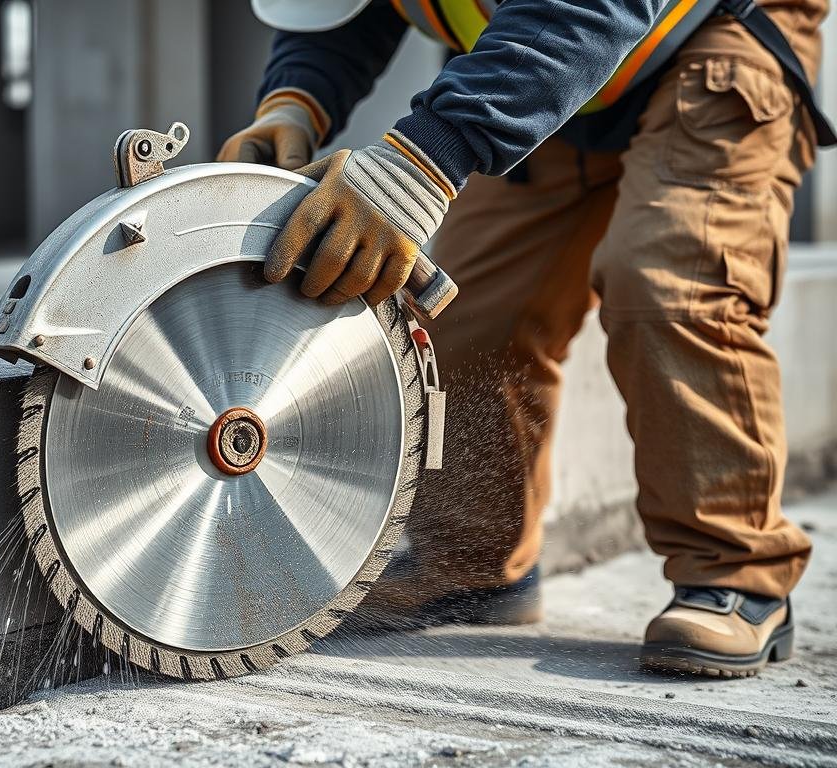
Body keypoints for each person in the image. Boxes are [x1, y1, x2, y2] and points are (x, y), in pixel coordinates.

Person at [217, 0, 833, 677]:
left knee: (668, 289)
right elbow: (353, 15)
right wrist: (294, 103)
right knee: (463, 314)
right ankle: (475, 568)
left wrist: (422, 162)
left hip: (713, 38)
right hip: (555, 68)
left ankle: (739, 573)